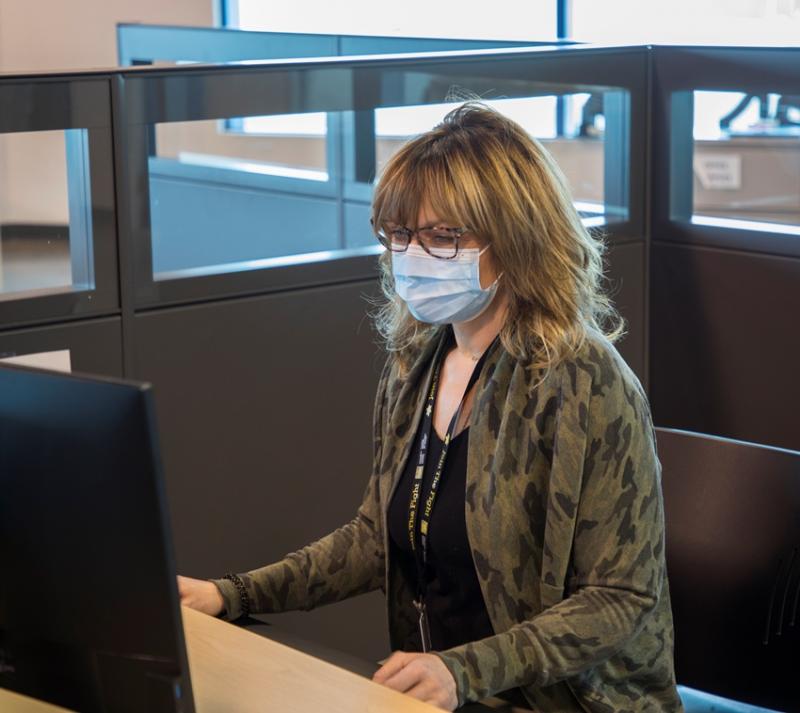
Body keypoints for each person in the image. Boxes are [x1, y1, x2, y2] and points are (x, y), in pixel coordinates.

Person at [178, 102, 683, 712]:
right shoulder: (419, 357)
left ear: (517, 236)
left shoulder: (583, 380)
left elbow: (619, 596)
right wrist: (230, 595)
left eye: (444, 237)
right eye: (400, 235)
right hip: (445, 698)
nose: (413, 256)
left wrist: (460, 671)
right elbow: (376, 538)